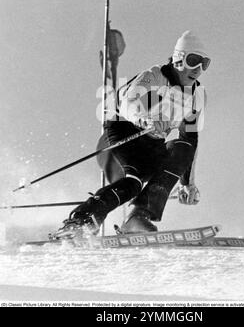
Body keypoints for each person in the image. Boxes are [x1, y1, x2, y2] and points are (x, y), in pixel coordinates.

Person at [55, 30, 211, 238]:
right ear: (179, 59)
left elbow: (190, 139)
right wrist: (146, 120)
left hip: (151, 147)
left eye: (205, 63)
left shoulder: (196, 97)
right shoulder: (154, 77)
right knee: (132, 183)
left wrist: (187, 184)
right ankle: (80, 221)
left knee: (183, 147)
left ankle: (138, 217)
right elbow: (128, 104)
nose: (198, 69)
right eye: (193, 61)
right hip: (121, 137)